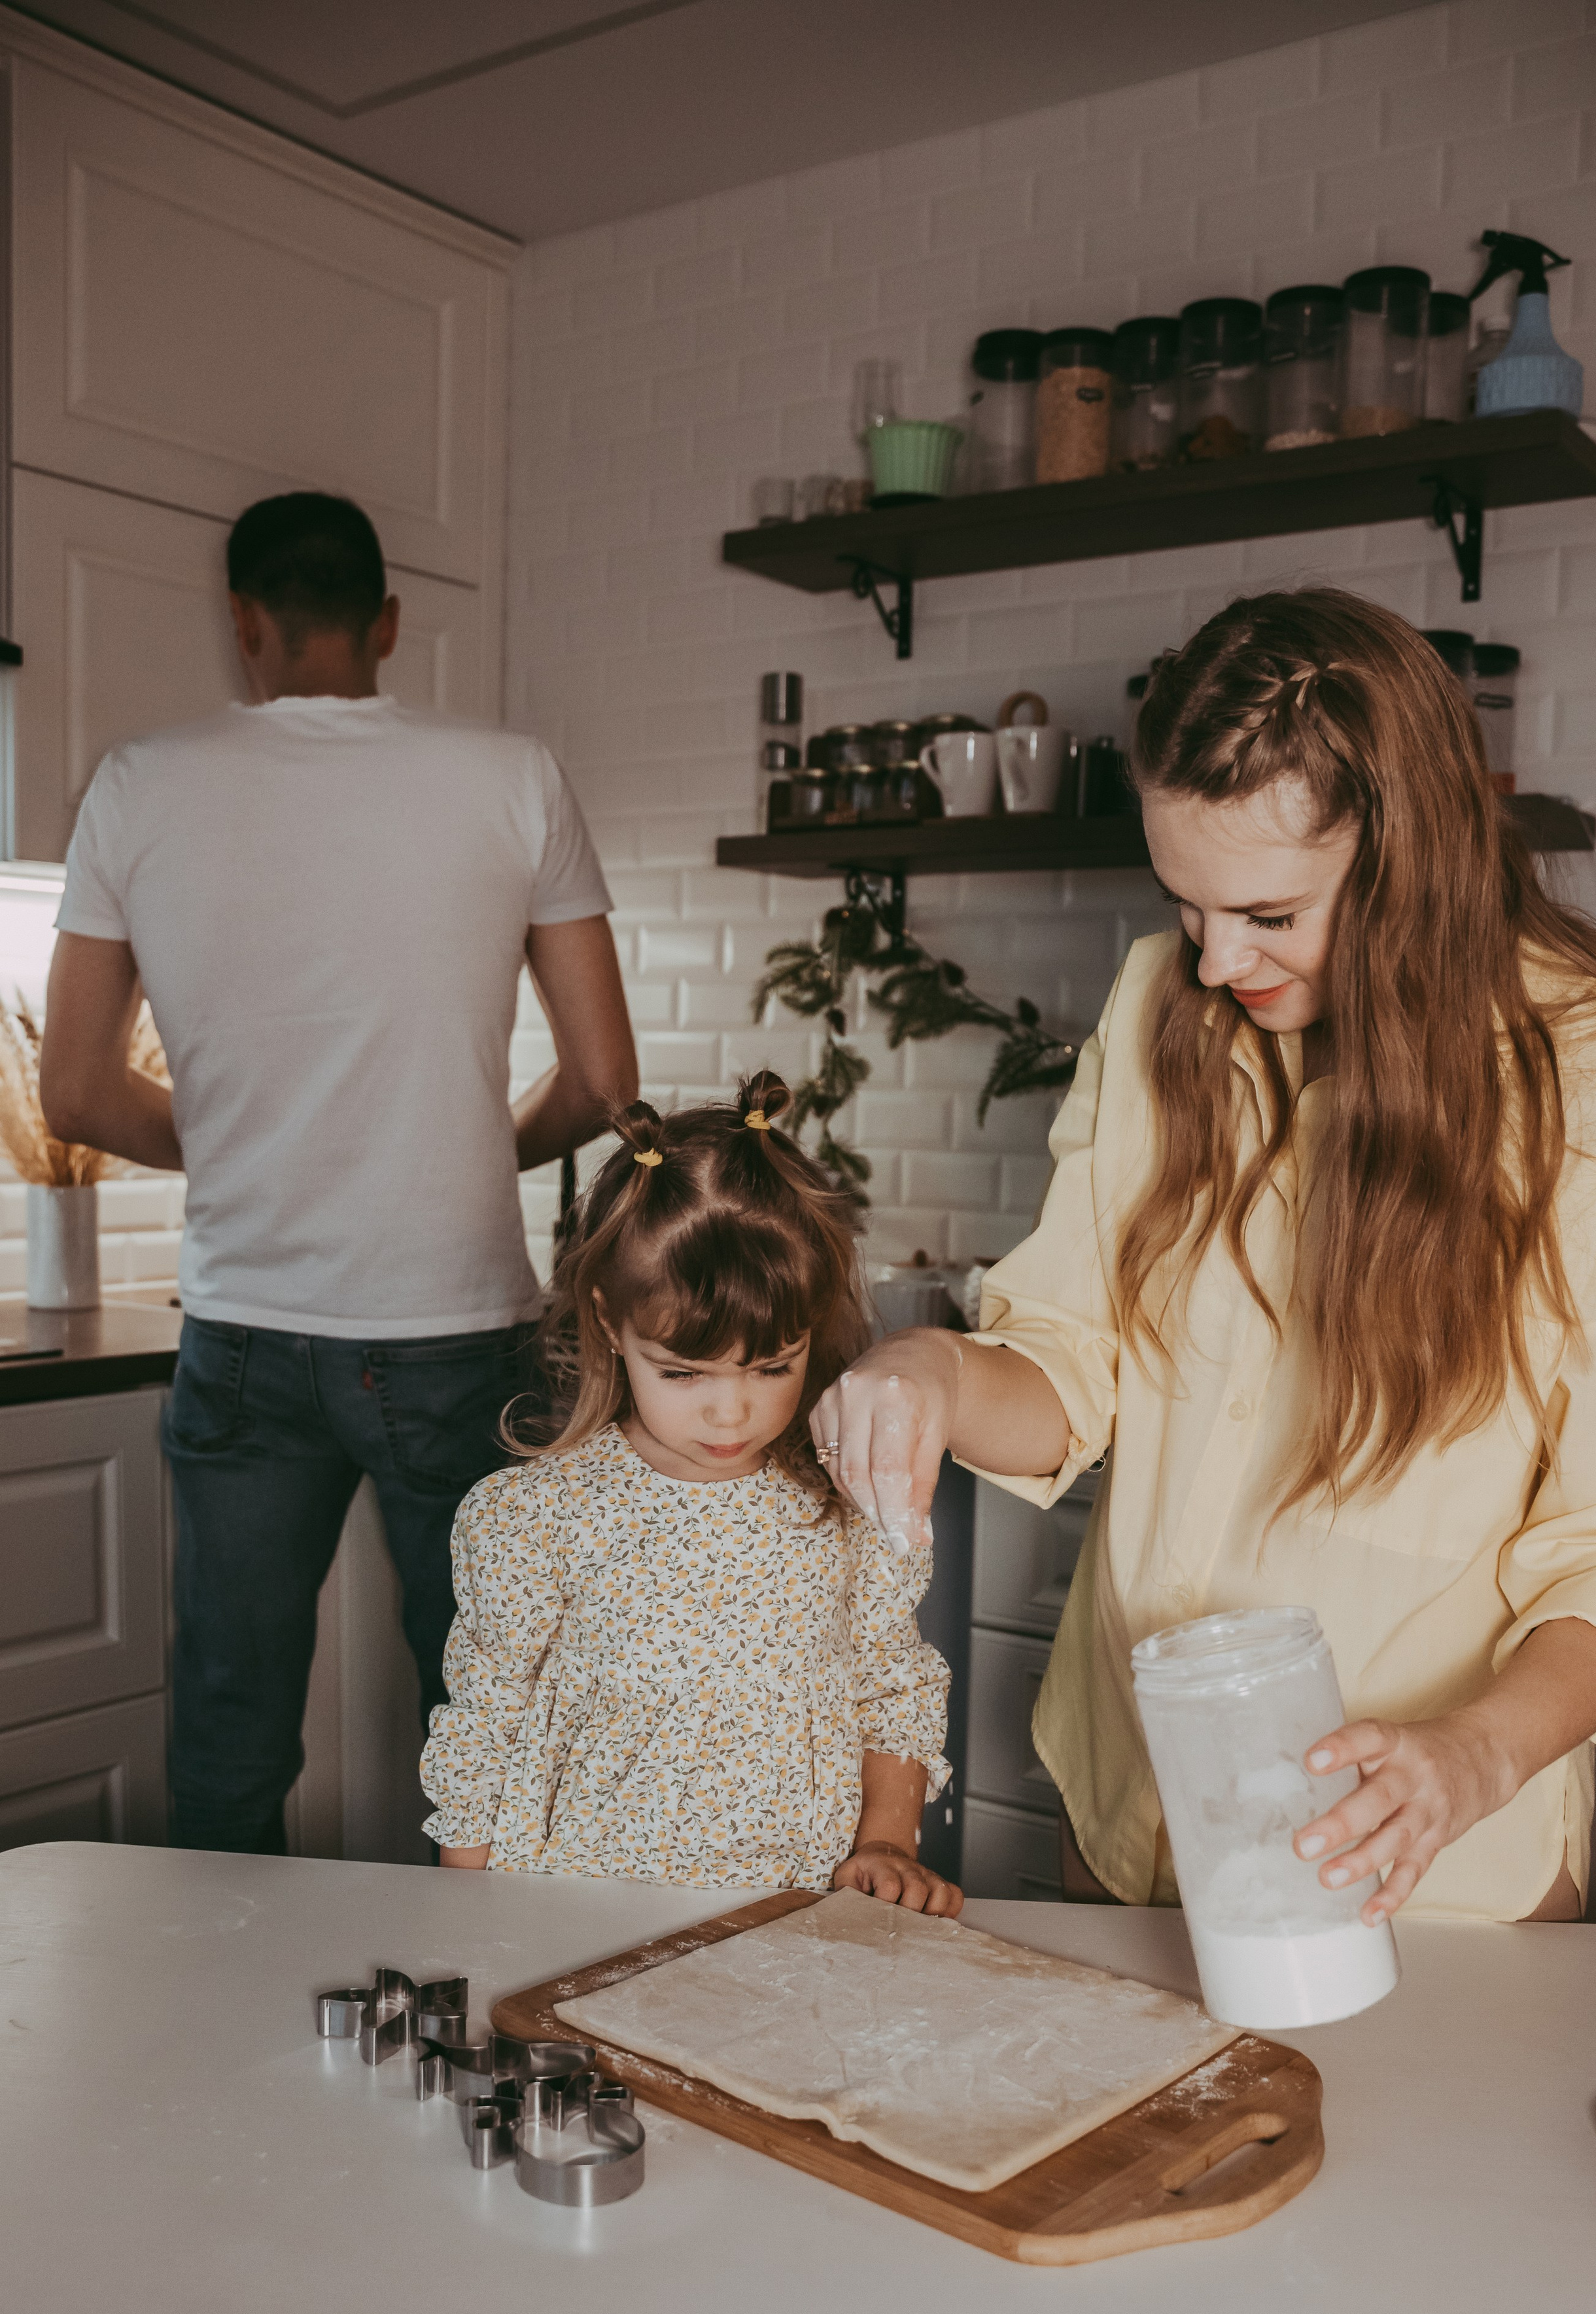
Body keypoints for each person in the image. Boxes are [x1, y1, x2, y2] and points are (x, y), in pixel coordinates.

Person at [814, 587, 1596, 1926]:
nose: (1214, 962)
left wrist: (1473, 1753)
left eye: (1269, 913)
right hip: (1132, 1811)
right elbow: (1068, 1362)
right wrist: (927, 1366)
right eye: (1186, 903)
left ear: (1414, 867)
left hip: (1417, 1876)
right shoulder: (1167, 1005)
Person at [41, 491, 636, 1856]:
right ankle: (492, 2036)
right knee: (489, 1726)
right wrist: (459, 1142)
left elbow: (72, 1090)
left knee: (230, 1738)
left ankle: (218, 2039)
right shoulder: (514, 773)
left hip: (246, 1340)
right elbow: (606, 1083)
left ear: (243, 623)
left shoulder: (138, 783)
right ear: (387, 623)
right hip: (457, 1338)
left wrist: (254, 1137)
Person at [421, 1072, 960, 1912]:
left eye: (770, 1365)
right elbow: (483, 1728)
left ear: (811, 1325)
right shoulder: (538, 1517)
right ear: (609, 1321)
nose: (729, 1410)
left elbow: (894, 1691)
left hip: (794, 1911)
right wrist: (467, 1918)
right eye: (681, 1371)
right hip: (578, 1912)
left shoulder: (851, 1500)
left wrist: (886, 1843)